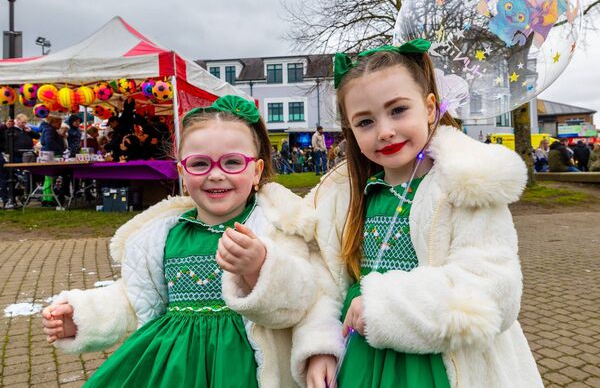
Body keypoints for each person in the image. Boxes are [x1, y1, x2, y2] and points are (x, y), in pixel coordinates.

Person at [295, 40, 543, 387]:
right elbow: (323, 281)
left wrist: (385, 308)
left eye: (398, 110)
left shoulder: (467, 184)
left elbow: (494, 291)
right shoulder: (342, 197)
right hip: (360, 361)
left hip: (443, 367)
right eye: (365, 121)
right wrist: (321, 344)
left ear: (430, 108)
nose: (384, 131)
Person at [41, 95, 318, 387]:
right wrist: (83, 317)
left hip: (246, 367)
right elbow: (134, 300)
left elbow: (302, 299)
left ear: (256, 171)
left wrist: (260, 266)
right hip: (173, 367)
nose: (215, 175)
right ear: (183, 174)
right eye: (200, 164)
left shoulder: (275, 228)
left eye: (232, 162)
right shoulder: (162, 236)